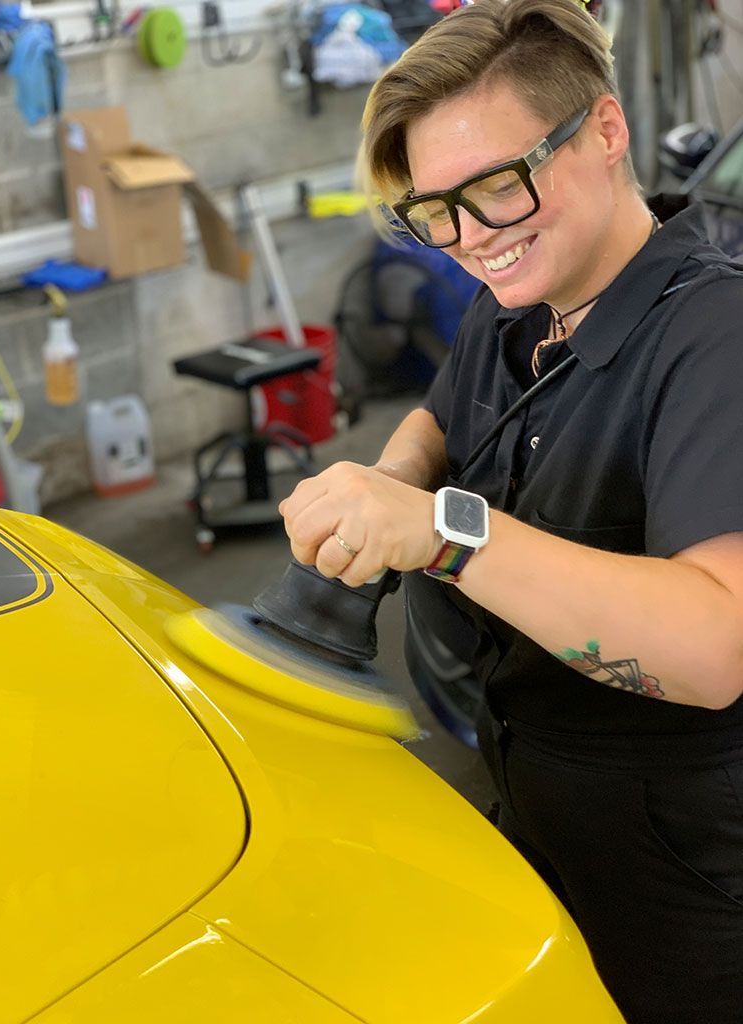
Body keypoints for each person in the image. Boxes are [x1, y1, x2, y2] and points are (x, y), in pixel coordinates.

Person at [278, 2, 743, 1021]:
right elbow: (439, 422)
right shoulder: (519, 295)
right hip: (532, 795)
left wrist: (446, 534)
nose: (469, 239)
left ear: (606, 130)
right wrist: (392, 483)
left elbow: (717, 644)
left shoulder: (716, 340)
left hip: (689, 871)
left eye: (496, 185)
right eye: (434, 211)